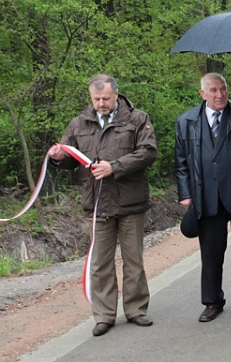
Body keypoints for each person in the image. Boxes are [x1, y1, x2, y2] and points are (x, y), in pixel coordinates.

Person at [48, 74, 158, 337]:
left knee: (133, 260)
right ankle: (104, 316)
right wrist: (58, 158)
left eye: (106, 98)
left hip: (131, 202)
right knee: (99, 264)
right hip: (97, 203)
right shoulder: (78, 123)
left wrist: (115, 167)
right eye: (96, 99)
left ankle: (136, 310)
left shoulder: (137, 119)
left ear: (116, 94)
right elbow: (69, 158)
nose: (101, 103)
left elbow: (148, 152)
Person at [175, 73, 231, 323]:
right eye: (213, 90)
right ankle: (212, 301)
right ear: (202, 94)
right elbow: (181, 161)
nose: (220, 94)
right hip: (207, 197)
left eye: (223, 88)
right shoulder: (186, 121)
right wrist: (185, 194)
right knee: (211, 254)